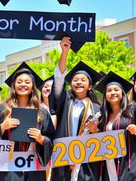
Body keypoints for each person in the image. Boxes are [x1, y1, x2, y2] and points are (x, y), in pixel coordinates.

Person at [0, 62, 55, 181]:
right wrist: (3, 127)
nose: (23, 85)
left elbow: (51, 139)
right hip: (9, 166)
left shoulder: (42, 112)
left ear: (33, 86)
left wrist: (41, 139)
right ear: (14, 85)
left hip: (34, 166)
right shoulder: (3, 108)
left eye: (27, 82)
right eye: (19, 82)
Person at [49, 37, 102, 181]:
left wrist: (95, 131)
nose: (78, 82)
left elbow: (103, 136)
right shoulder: (65, 100)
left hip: (87, 157)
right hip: (64, 155)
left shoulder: (97, 108)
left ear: (90, 86)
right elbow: (59, 80)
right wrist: (64, 52)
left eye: (83, 80)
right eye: (75, 80)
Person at [94, 71, 136, 181]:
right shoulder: (102, 116)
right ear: (105, 95)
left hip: (132, 165)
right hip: (109, 166)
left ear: (122, 93)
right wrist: (94, 131)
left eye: (116, 89)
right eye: (109, 90)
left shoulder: (134, 110)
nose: (113, 92)